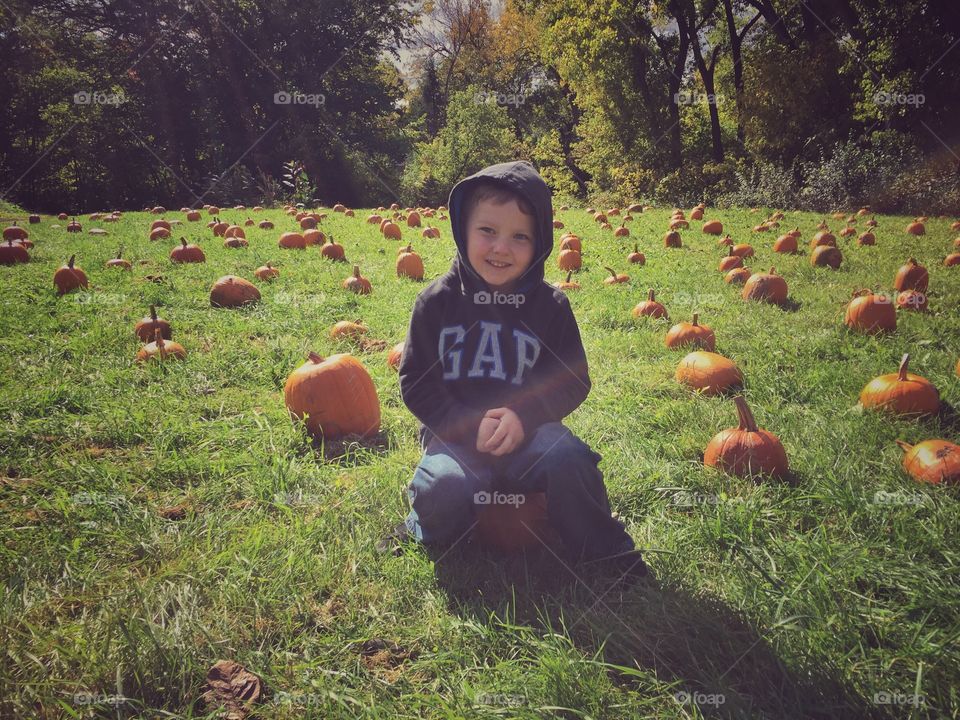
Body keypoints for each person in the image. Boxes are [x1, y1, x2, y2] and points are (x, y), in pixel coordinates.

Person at [379, 160, 646, 581]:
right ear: (462, 229)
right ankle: (423, 529)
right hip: (457, 437)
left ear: (540, 243)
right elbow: (416, 381)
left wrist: (526, 417)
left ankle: (605, 551)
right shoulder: (435, 304)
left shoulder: (551, 307)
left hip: (532, 435)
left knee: (570, 460)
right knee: (441, 486)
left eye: (519, 236)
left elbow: (573, 378)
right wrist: (465, 426)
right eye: (487, 231)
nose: (501, 248)